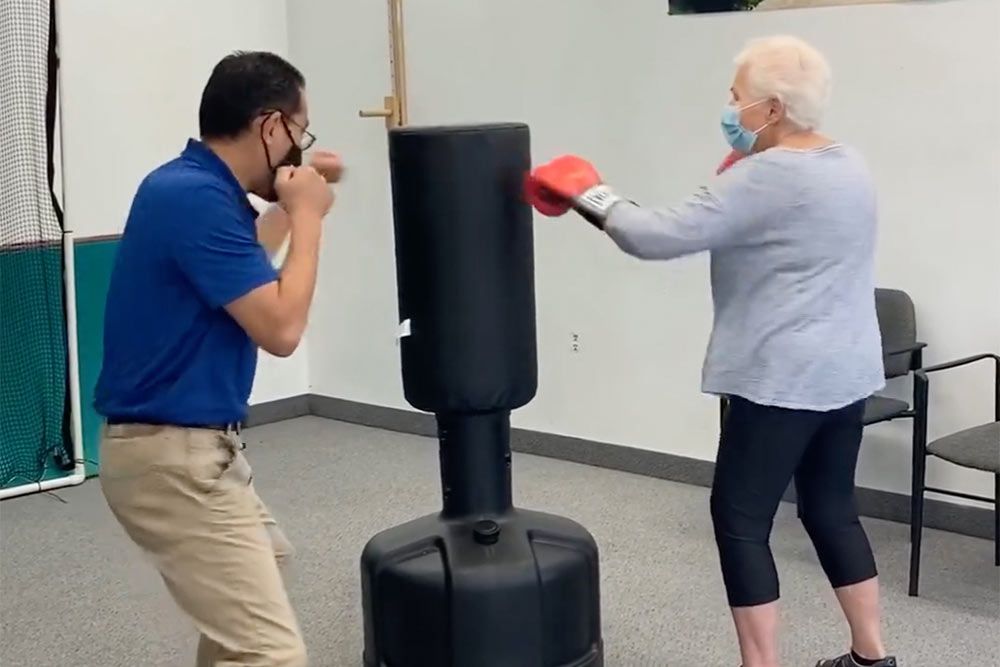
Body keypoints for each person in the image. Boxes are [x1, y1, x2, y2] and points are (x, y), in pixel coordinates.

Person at [525, 35, 897, 667]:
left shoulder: (766, 176)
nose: (728, 106)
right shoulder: (847, 162)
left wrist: (589, 192)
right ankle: (872, 657)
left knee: (740, 519)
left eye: (737, 97)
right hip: (847, 370)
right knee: (831, 509)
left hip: (782, 379)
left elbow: (652, 236)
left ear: (773, 108)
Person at [94, 51, 339, 667]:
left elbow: (241, 265)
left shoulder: (194, 189)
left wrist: (293, 207)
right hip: (170, 461)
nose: (297, 150)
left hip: (188, 451)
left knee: (265, 570)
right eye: (298, 133)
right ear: (270, 125)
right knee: (269, 653)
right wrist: (308, 220)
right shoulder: (194, 198)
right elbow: (280, 327)